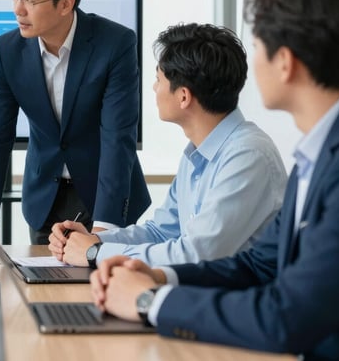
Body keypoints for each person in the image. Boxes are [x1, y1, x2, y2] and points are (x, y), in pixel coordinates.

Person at [91, 0, 339, 359]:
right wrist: (159, 276)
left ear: (285, 62)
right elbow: (259, 265)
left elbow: (285, 317)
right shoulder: (319, 153)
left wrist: (150, 301)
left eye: (257, 47)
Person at [0, 0, 151, 251]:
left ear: (65, 4)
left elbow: (118, 136)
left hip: (104, 196)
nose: (18, 9)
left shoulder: (114, 44)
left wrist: (105, 230)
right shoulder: (8, 50)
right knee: (45, 288)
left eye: (30, 0)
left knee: (98, 287)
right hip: (45, 199)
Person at [48, 23, 286, 267]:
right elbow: (161, 232)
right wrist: (93, 239)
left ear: (183, 96)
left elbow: (196, 254)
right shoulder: (197, 154)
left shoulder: (247, 156)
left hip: (233, 300)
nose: (154, 87)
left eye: (158, 78)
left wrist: (96, 254)